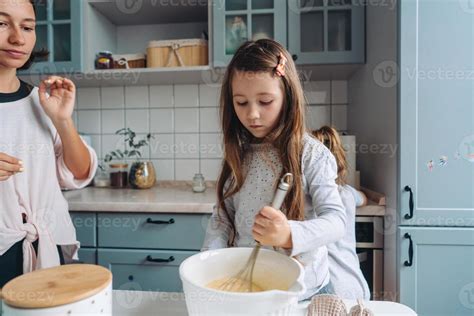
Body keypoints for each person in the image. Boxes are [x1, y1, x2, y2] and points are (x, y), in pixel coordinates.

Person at [201, 39, 347, 300]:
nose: (252, 114)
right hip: (250, 288)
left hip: (306, 292)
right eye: (241, 103)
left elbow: (337, 222)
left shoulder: (311, 155)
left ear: (287, 97)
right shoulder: (239, 154)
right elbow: (223, 218)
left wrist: (289, 233)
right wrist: (209, 258)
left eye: (265, 101)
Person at [0, 0, 97, 287]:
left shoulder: (40, 102)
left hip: (48, 247)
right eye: (2, 23)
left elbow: (79, 173)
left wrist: (63, 121)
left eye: (28, 27)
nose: (18, 37)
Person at [313, 126, 371, 299]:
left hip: (328, 288)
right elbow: (364, 199)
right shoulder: (346, 192)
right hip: (356, 284)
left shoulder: (308, 201)